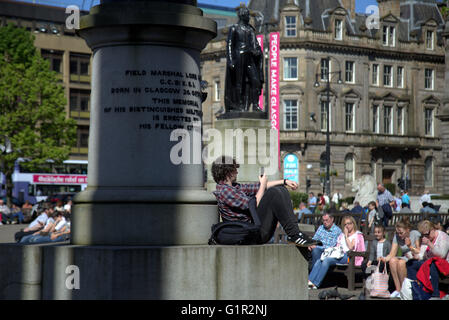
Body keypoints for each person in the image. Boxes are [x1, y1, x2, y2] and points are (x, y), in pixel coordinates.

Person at [211, 156, 319, 246]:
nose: (237, 171)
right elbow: (254, 204)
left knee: (280, 189)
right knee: (274, 193)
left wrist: (284, 181)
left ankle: (295, 234)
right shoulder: (225, 191)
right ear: (228, 172)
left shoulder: (235, 187)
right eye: (235, 169)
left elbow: (259, 186)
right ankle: (295, 235)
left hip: (253, 230)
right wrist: (263, 184)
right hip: (248, 235)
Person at [308, 215, 365, 289]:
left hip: (350, 257)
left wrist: (346, 236)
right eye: (345, 224)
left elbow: (351, 247)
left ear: (353, 224)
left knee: (327, 260)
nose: (347, 226)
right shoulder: (342, 235)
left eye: (349, 223)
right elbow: (337, 246)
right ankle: (310, 281)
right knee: (320, 260)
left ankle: (316, 283)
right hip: (339, 254)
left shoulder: (357, 235)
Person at [224, 6, 263, 112]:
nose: (249, 17)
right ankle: (239, 104)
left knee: (255, 81)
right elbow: (229, 45)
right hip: (239, 56)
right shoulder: (234, 28)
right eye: (247, 15)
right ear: (242, 16)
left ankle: (255, 105)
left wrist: (257, 51)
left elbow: (255, 44)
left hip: (250, 57)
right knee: (239, 82)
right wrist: (231, 60)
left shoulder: (250, 29)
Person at [406, 220, 449, 299]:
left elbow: (442, 255)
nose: (425, 237)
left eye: (427, 234)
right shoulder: (427, 238)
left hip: (444, 265)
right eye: (423, 235)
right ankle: (415, 289)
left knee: (433, 264)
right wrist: (414, 255)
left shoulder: (443, 237)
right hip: (429, 262)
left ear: (433, 229)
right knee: (411, 264)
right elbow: (423, 254)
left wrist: (429, 243)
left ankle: (435, 294)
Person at [382, 218, 421, 298]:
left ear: (407, 229)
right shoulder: (397, 236)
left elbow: (419, 251)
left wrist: (410, 246)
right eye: (398, 233)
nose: (399, 235)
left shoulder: (415, 234)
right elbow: (392, 253)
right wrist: (384, 259)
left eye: (401, 233)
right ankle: (398, 289)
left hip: (414, 257)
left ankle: (404, 290)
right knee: (392, 261)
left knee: (401, 263)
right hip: (405, 257)